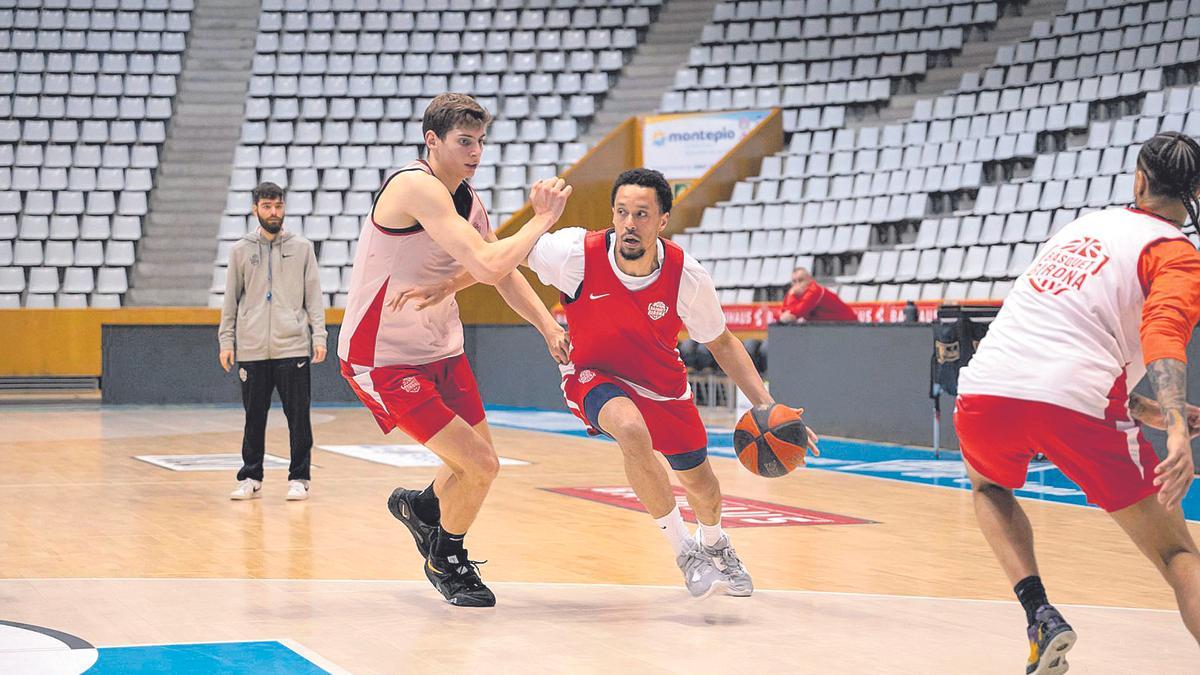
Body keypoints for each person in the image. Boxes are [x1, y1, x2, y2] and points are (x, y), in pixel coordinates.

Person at [955, 131, 1200, 675]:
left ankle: (1038, 612)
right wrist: (1177, 427)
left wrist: (1142, 409)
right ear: (1195, 194)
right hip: (1077, 402)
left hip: (985, 387)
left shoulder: (1083, 227)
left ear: (1139, 181)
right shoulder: (1177, 254)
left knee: (987, 486)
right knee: (1178, 554)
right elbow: (1162, 332)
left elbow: (1056, 337)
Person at [524, 168, 819, 598]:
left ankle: (715, 543)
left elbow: (721, 342)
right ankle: (685, 552)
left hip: (662, 383)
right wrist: (547, 327)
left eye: (641, 214)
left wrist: (769, 407)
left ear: (662, 221)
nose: (629, 223)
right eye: (622, 212)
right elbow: (497, 262)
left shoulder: (687, 276)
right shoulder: (573, 253)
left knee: (705, 489)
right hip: (592, 373)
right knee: (629, 429)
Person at [337, 93, 572, 608]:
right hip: (384, 356)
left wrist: (546, 326)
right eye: (465, 141)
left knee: (477, 465)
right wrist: (540, 221)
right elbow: (489, 266)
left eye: (481, 141)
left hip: (443, 347)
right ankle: (446, 558)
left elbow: (501, 271)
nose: (476, 151)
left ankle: (423, 509)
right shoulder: (415, 187)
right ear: (432, 141)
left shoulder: (468, 197)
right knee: (480, 465)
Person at [219, 182, 327, 502]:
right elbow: (230, 301)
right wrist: (227, 341)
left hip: (292, 346)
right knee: (254, 417)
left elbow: (314, 297)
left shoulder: (303, 248)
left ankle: (299, 477)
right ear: (255, 209)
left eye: (278, 206)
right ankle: (251, 476)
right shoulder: (240, 250)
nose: (273, 212)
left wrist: (318, 335)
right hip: (252, 348)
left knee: (298, 416)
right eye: (267, 206)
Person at [777, 266, 857, 323]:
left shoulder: (815, 290)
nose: (797, 284)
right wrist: (792, 296)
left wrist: (791, 296)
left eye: (801, 280)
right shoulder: (794, 292)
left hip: (848, 325)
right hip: (827, 328)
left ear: (810, 280)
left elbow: (797, 313)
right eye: (794, 281)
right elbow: (783, 314)